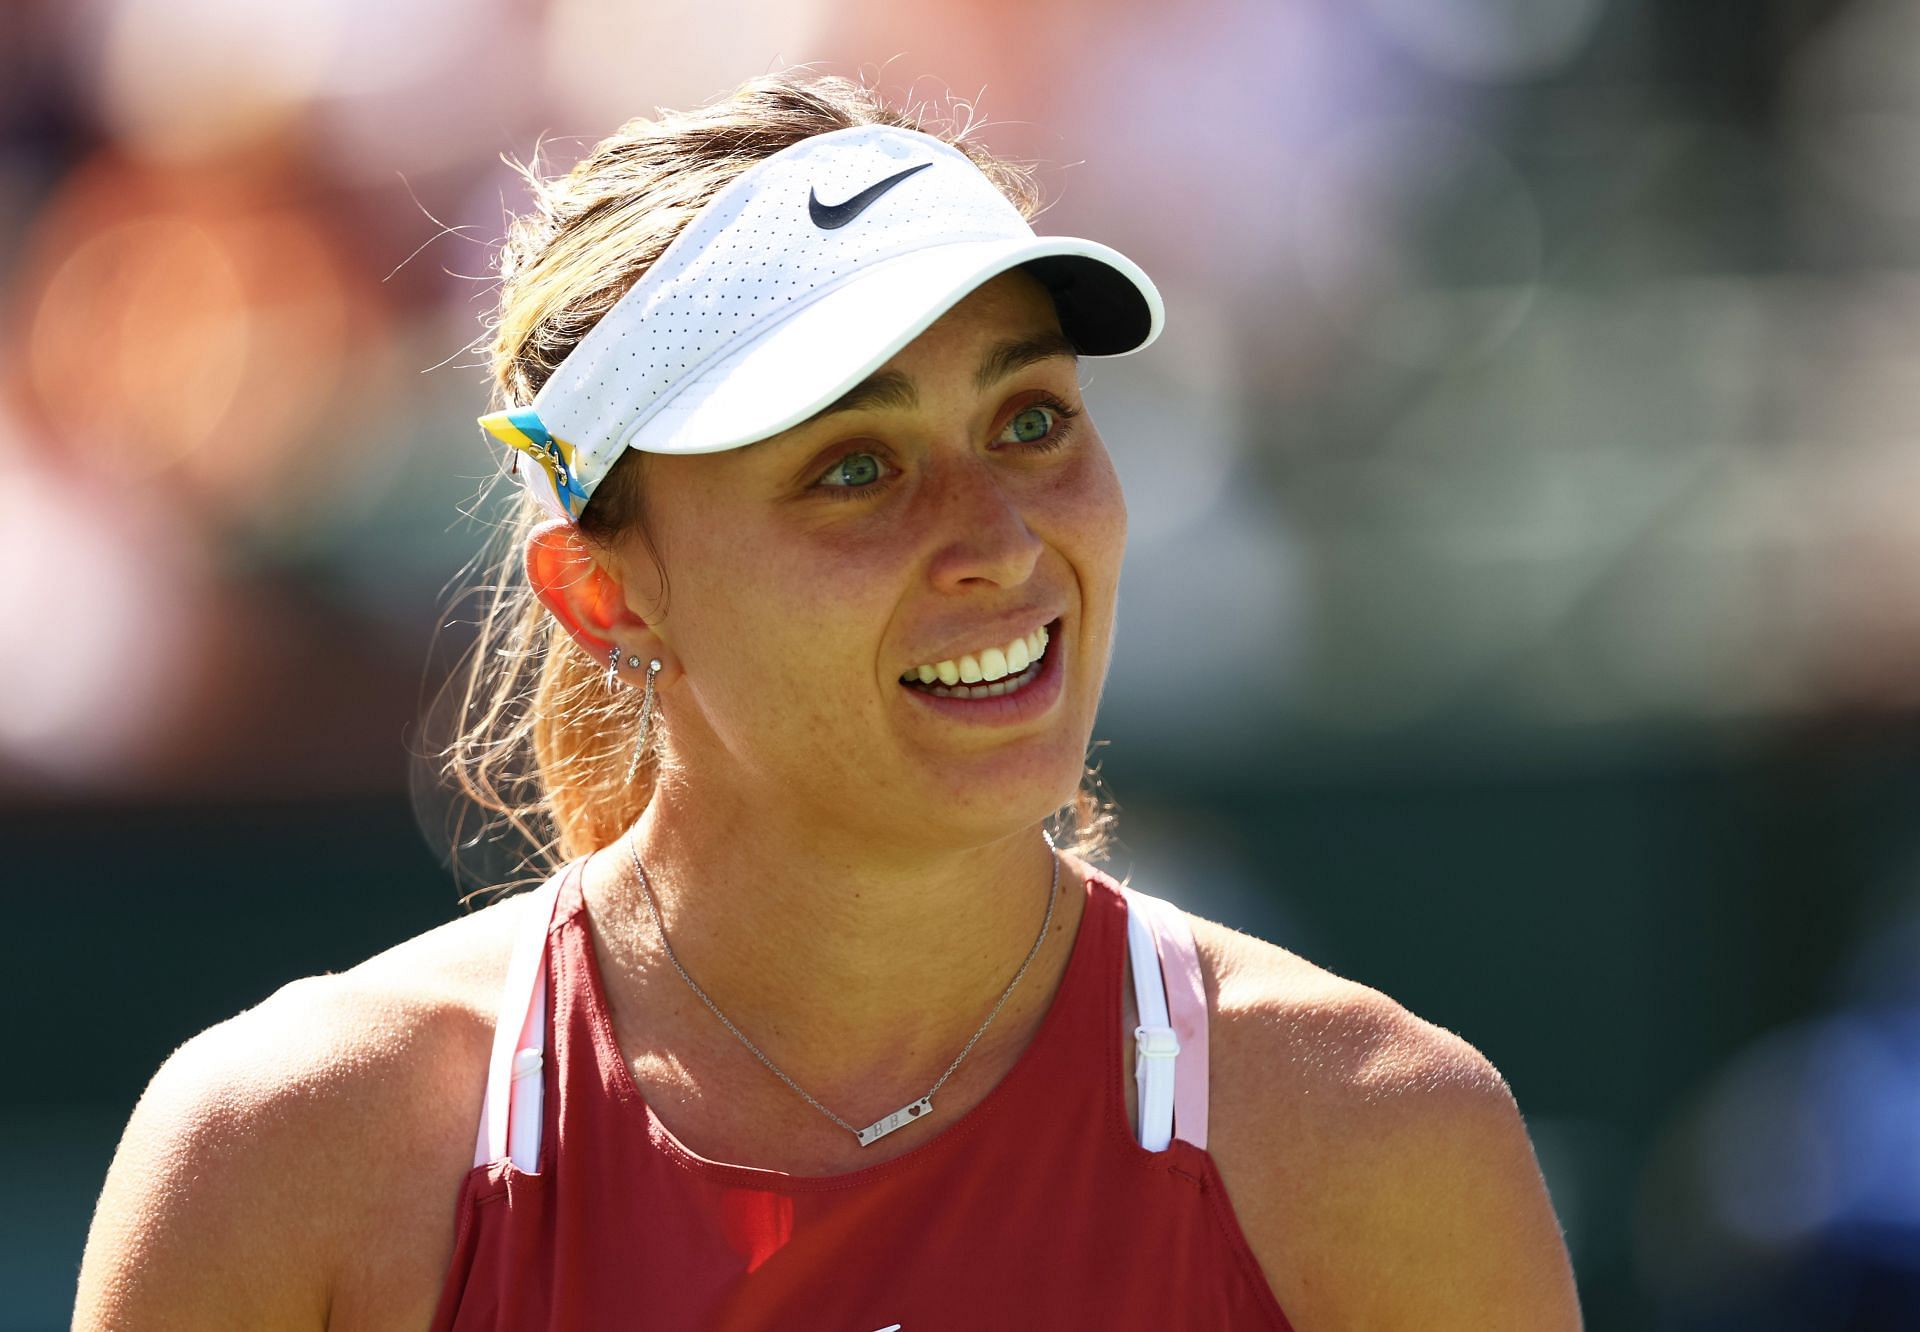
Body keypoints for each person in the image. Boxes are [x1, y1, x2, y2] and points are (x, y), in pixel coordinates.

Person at [74, 72, 1583, 1330]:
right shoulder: (282, 1160)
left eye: (1032, 419)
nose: (1000, 540)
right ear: (603, 593)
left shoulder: (1387, 1140)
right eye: (854, 468)